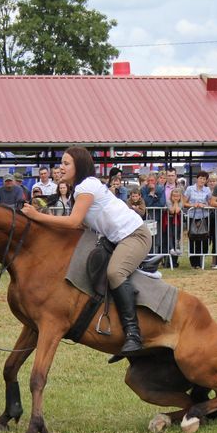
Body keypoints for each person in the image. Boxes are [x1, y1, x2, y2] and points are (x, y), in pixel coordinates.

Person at [20, 146, 152, 358]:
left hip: (135, 236)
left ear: (78, 166)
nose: (61, 168)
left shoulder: (86, 186)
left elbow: (73, 222)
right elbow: (80, 228)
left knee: (115, 273)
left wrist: (36, 216)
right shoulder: (77, 191)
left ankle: (133, 335)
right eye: (61, 163)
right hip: (115, 239)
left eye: (66, 163)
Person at [184, 171, 212, 269]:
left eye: (204, 179)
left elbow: (211, 203)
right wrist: (193, 205)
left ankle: (201, 261)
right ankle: (194, 263)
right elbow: (184, 203)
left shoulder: (207, 190)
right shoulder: (189, 189)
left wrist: (204, 205)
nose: (202, 180)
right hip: (192, 216)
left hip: (204, 217)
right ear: (197, 178)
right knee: (193, 239)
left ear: (206, 180)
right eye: (200, 178)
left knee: (204, 239)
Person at [163, 187, 183, 267]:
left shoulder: (181, 202)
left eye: (177, 196)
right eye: (174, 196)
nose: (175, 198)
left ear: (180, 196)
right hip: (168, 221)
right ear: (171, 196)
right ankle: (171, 248)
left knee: (177, 234)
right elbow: (172, 211)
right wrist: (175, 202)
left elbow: (177, 210)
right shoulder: (168, 201)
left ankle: (177, 248)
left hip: (177, 221)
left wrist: (176, 203)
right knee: (170, 234)